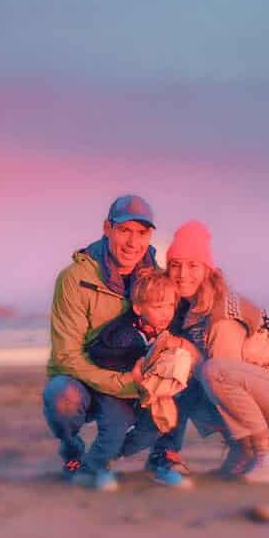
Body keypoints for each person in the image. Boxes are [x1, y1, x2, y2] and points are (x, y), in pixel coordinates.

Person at [164, 219, 269, 483]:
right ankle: (244, 451)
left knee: (213, 373)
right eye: (175, 265)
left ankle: (268, 452)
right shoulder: (193, 310)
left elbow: (225, 378)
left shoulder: (222, 314)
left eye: (193, 265)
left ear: (208, 270)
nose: (183, 274)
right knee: (188, 378)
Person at [42, 194, 177, 491]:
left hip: (139, 375)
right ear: (107, 228)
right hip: (89, 376)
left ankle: (162, 456)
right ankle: (73, 451)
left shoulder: (155, 278)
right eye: (124, 230)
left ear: (150, 235)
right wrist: (127, 383)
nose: (132, 242)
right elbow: (66, 357)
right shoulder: (74, 279)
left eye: (141, 233)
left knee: (182, 376)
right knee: (61, 396)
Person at [84, 267, 200, 487]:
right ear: (138, 308)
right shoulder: (123, 334)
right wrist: (132, 367)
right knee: (115, 428)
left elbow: (191, 355)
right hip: (116, 391)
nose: (166, 313)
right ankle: (99, 464)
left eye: (169, 306)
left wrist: (178, 351)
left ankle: (155, 458)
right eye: (158, 307)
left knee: (157, 425)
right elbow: (99, 357)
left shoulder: (169, 328)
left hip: (147, 393)